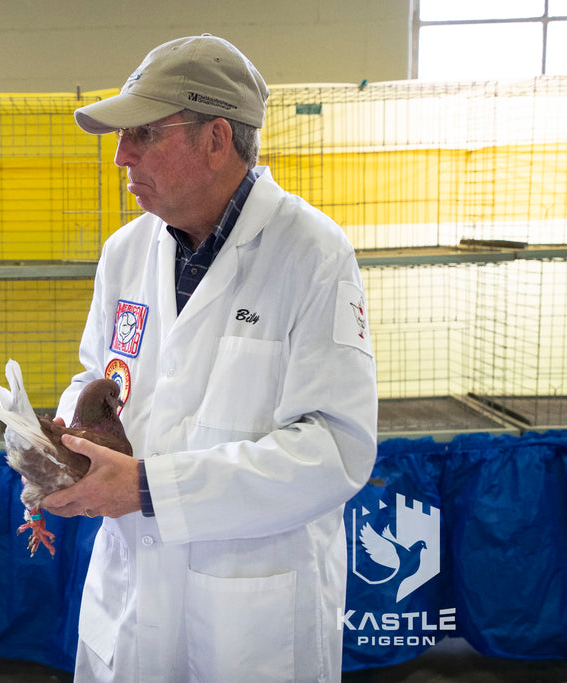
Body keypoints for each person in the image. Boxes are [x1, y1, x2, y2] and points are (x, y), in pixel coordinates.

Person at [41, 35, 378, 682]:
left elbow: (337, 451)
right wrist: (74, 439)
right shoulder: (125, 253)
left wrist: (146, 487)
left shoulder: (312, 255)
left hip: (248, 623)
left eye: (142, 134)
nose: (120, 156)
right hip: (132, 596)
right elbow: (96, 377)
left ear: (217, 139)